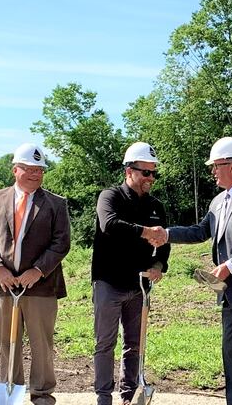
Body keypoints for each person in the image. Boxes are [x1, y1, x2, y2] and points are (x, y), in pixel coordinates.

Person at [147, 136, 232, 405]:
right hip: (229, 294)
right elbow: (201, 231)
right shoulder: (218, 201)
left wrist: (228, 267)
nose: (212, 171)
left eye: (216, 165)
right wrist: (166, 234)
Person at [0, 143, 71, 405]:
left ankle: (41, 393)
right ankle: (11, 390)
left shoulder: (56, 204)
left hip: (40, 285)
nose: (35, 175)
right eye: (29, 169)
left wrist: (37, 270)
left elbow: (61, 242)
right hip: (3, 285)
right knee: (7, 340)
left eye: (39, 170)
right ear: (15, 169)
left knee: (42, 343)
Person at [91, 142, 170, 405]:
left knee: (134, 345)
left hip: (139, 286)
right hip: (108, 283)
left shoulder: (156, 206)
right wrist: (146, 232)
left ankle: (129, 396)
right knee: (105, 344)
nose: (150, 178)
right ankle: (103, 397)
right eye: (145, 172)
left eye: (153, 173)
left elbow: (164, 244)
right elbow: (109, 224)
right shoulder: (109, 197)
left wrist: (158, 266)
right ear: (129, 171)